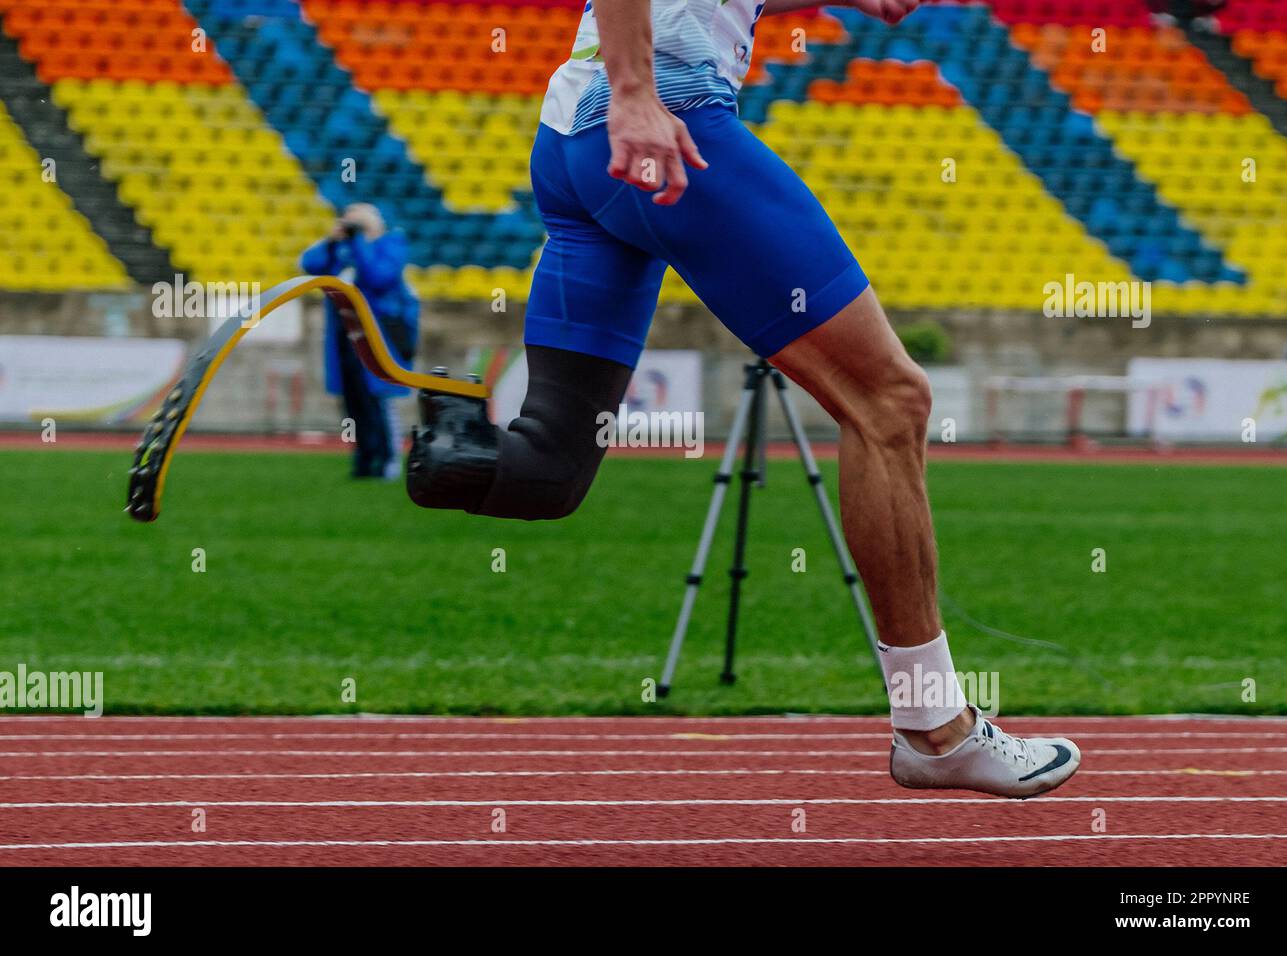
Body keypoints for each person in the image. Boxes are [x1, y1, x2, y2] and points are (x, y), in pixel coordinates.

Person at [406, 0, 1081, 798]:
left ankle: (442, 432)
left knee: (545, 469)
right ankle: (934, 727)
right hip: (664, 120)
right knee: (888, 403)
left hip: (572, 145)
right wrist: (633, 94)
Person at [302, 203, 419, 479]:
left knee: (378, 397)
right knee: (353, 399)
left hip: (379, 334)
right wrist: (333, 240)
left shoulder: (391, 244)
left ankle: (387, 460)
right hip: (346, 335)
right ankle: (364, 460)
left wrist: (362, 240)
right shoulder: (345, 249)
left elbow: (378, 277)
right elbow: (311, 265)